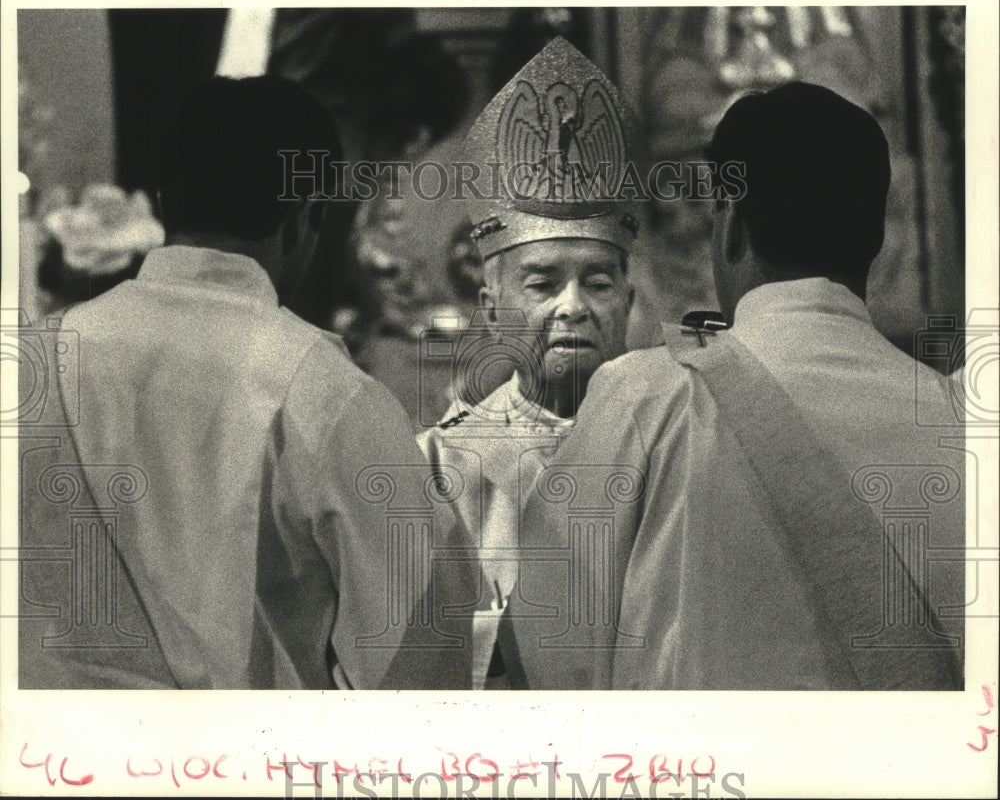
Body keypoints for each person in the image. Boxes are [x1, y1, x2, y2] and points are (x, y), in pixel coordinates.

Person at [18, 76, 472, 690]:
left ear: (162, 197)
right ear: (306, 217)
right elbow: (419, 658)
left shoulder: (29, 364)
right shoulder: (324, 394)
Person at [509, 81, 965, 690]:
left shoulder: (648, 397)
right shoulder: (958, 417)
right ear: (877, 239)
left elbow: (549, 646)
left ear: (730, 224)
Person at [417, 37, 638, 688]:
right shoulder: (436, 464)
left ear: (629, 299)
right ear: (491, 307)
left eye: (597, 282)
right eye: (542, 283)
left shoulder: (675, 446)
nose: (573, 306)